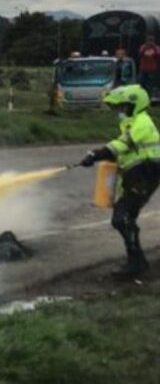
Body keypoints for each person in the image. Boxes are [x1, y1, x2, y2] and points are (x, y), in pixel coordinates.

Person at [79, 84, 160, 279]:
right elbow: (127, 151)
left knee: (122, 217)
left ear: (134, 105)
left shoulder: (142, 122)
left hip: (146, 174)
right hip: (139, 175)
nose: (120, 111)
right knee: (124, 217)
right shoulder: (132, 122)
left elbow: (122, 145)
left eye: (123, 107)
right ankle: (137, 261)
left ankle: (137, 263)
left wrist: (96, 154)